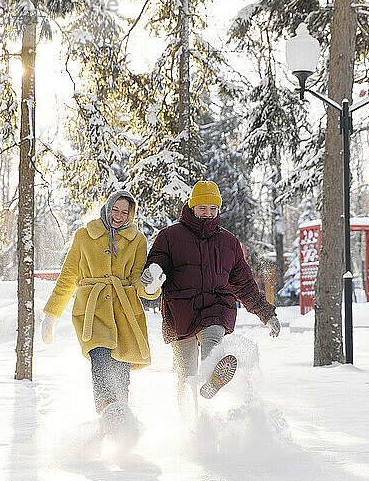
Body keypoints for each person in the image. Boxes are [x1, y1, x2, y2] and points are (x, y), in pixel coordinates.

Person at [140, 180, 280, 421]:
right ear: (192, 207)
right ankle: (189, 422)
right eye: (202, 208)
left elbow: (245, 284)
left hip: (216, 306)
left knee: (213, 337)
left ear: (218, 209)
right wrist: (153, 272)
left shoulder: (228, 242)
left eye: (212, 208)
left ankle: (212, 375)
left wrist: (267, 314)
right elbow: (158, 263)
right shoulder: (170, 236)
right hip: (180, 309)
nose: (207, 213)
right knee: (186, 374)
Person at [41, 190, 160, 432]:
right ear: (107, 208)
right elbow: (67, 277)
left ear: (131, 214)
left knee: (121, 371)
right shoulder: (84, 236)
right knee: (101, 357)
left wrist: (151, 287)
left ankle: (119, 424)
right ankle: (108, 405)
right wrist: (51, 314)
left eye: (124, 212)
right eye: (115, 210)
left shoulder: (137, 240)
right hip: (92, 310)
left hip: (125, 313)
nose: (119, 215)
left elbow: (137, 280)